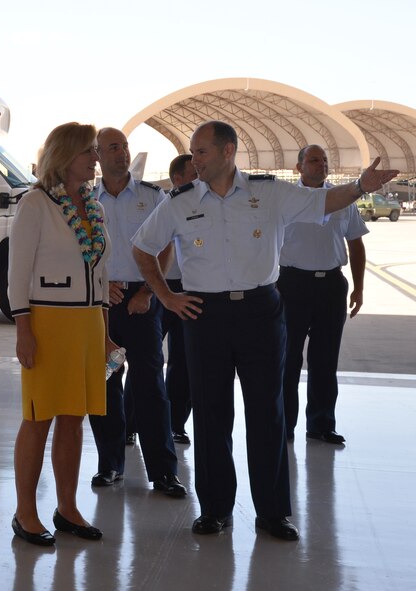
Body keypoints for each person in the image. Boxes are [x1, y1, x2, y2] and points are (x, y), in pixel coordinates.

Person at [132, 120, 397, 541]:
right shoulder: (179, 201)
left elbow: (325, 202)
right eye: (194, 153)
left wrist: (361, 186)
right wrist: (165, 296)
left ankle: (273, 512)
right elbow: (143, 247)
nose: (194, 160)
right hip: (204, 315)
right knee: (211, 413)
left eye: (201, 152)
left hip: (260, 311)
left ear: (227, 151)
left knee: (267, 413)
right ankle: (216, 508)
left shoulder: (269, 192)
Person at [9, 122, 118, 547]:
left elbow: (103, 272)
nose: (95, 158)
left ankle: (67, 508)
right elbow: (17, 273)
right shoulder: (35, 204)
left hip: (88, 323)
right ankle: (25, 512)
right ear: (64, 155)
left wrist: (106, 334)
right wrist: (23, 329)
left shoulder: (94, 206)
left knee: (74, 419)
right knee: (38, 418)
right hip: (47, 322)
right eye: (88, 152)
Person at [88, 127, 184, 498]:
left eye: (124, 146)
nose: (122, 153)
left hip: (143, 303)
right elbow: (79, 252)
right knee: (106, 383)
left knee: (150, 386)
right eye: (113, 147)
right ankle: (110, 465)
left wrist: (147, 291)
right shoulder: (85, 199)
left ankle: (163, 472)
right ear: (97, 155)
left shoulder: (152, 196)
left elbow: (165, 247)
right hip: (102, 304)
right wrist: (100, 286)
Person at [278, 145, 368, 445]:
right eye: (314, 160)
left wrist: (359, 287)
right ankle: (284, 425)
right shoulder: (284, 200)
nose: (321, 165)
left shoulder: (343, 199)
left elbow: (355, 244)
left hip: (331, 285)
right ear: (298, 166)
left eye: (324, 160)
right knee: (287, 359)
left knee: (325, 360)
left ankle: (321, 424)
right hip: (291, 285)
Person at [164, 154, 198, 444]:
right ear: (177, 179)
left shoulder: (207, 203)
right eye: (193, 173)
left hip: (191, 290)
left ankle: (176, 422)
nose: (199, 178)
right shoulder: (163, 205)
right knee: (145, 359)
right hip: (160, 288)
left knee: (183, 361)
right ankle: (133, 422)